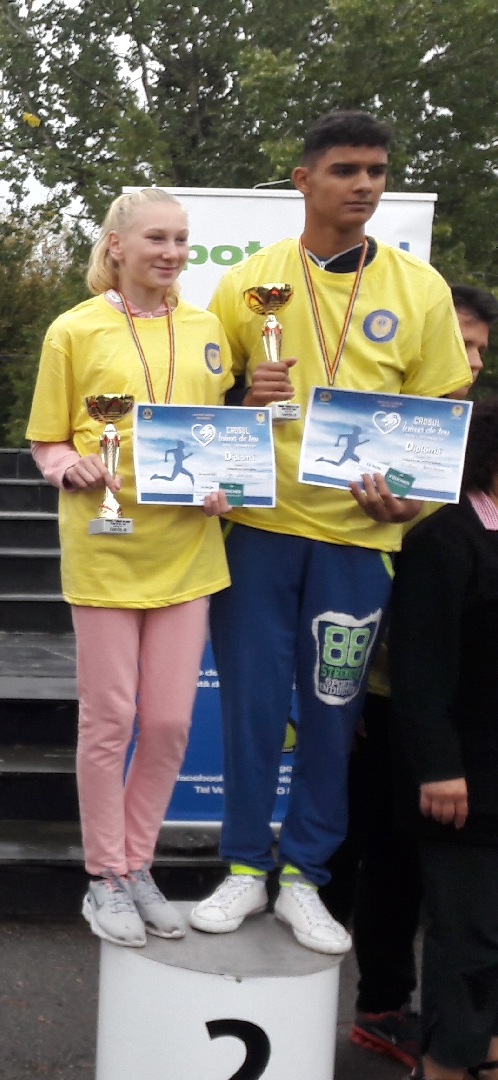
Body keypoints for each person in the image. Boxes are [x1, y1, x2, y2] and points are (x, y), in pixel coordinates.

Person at [190, 110, 473, 954]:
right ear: (303, 180)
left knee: (332, 712)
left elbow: (444, 406)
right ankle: (245, 867)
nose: (364, 185)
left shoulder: (419, 289)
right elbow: (203, 399)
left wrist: (411, 503)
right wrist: (242, 397)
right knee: (250, 707)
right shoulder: (248, 281)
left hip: (359, 539)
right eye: (347, 170)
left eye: (377, 171)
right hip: (259, 527)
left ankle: (305, 878)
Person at [17, 189, 234, 945]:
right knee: (110, 719)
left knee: (169, 722)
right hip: (105, 548)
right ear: (116, 244)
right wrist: (67, 465)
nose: (172, 253)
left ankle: (137, 863)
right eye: (156, 238)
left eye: (181, 239)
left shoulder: (209, 329)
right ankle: (104, 875)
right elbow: (46, 439)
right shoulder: (73, 329)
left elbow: (221, 435)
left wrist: (228, 484)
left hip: (189, 552)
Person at [329, 282, 493, 1068]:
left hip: (453, 706)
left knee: (421, 866)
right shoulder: (369, 431)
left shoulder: (476, 442)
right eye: (461, 343)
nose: (472, 361)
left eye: (481, 349)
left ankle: (407, 1013)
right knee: (358, 853)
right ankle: (337, 1003)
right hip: (374, 687)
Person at [387, 398, 498, 1080]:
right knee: (467, 938)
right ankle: (446, 1066)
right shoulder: (445, 540)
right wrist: (437, 767)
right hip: (464, 782)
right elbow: (420, 668)